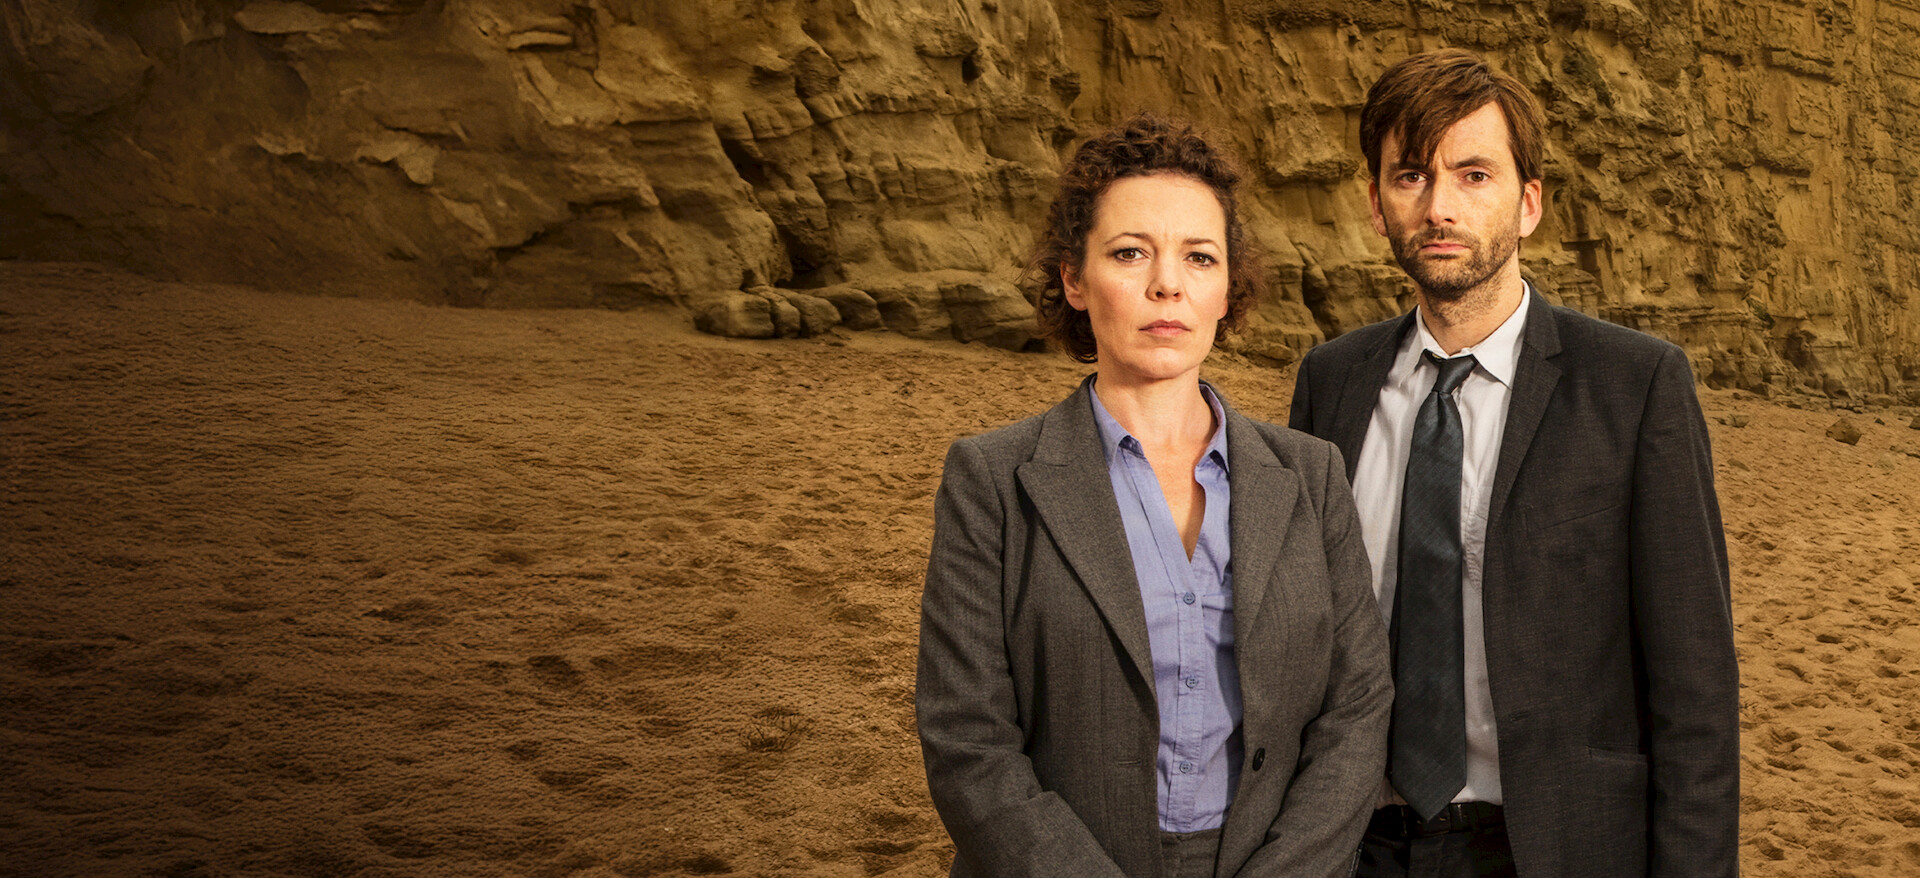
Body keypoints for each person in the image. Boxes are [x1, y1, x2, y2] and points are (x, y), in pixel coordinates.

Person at [1287, 49, 1739, 877]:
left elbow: (1696, 688)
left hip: (1553, 845)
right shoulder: (1332, 381)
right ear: (1376, 205)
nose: (1439, 207)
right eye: (1411, 177)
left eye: (1474, 176)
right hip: (1357, 845)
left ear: (1528, 203)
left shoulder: (1636, 385)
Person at [916, 113, 1393, 877]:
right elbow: (967, 740)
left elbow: (1357, 707)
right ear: (1074, 279)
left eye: (1199, 257)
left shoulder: (1311, 474)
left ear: (1227, 289)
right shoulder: (992, 479)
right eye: (1130, 252)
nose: (1167, 283)